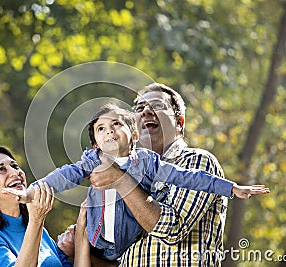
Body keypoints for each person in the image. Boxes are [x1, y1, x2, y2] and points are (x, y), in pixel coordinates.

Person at [5, 103, 269, 262]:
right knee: (64, 251)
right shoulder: (91, 161)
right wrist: (31, 192)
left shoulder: (147, 163)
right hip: (96, 244)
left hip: (126, 249)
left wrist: (231, 188)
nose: (109, 130)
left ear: (132, 134)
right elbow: (63, 176)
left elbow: (189, 178)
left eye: (116, 124)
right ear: (95, 142)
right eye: (101, 128)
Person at [87, 82, 260, 266]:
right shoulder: (127, 172)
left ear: (179, 123)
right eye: (139, 108)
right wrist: (81, 235)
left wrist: (121, 181)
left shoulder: (198, 162)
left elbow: (172, 230)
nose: (145, 111)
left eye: (158, 106)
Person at [0, 146, 78, 267]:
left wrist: (80, 238)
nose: (15, 172)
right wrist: (36, 220)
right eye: (1, 169)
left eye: (15, 166)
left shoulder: (37, 230)